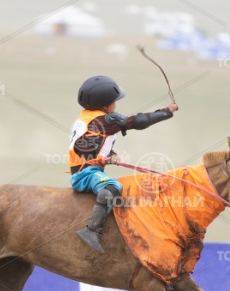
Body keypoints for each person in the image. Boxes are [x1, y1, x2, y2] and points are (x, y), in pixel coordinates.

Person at [69, 75, 178, 253]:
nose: (115, 104)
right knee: (113, 187)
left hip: (85, 169)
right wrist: (167, 111)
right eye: (114, 101)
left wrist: (108, 155)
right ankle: (91, 230)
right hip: (86, 174)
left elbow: (86, 145)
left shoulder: (87, 118)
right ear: (105, 105)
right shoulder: (106, 120)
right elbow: (138, 122)